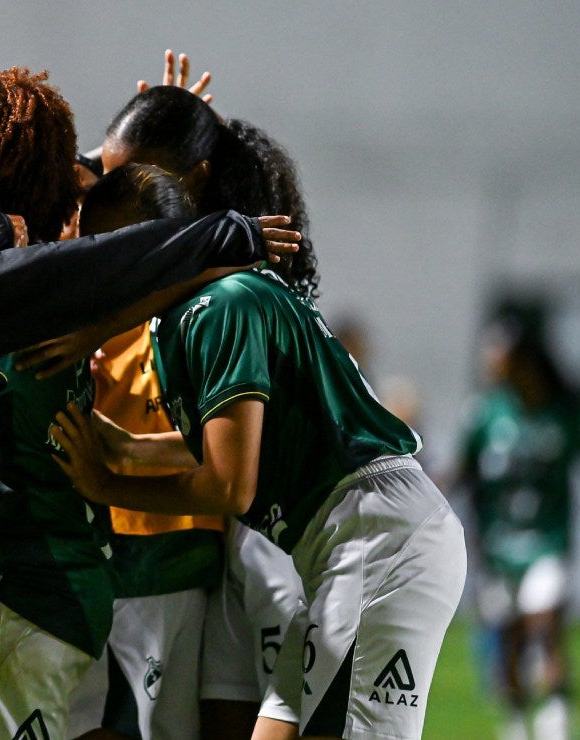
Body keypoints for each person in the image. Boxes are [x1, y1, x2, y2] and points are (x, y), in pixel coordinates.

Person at [52, 116, 466, 740]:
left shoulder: (221, 308)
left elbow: (229, 488)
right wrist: (131, 446)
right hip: (334, 547)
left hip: (376, 542)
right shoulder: (188, 311)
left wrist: (106, 484)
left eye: (106, 251)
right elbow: (241, 448)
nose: (97, 269)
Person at [63, 164, 225, 740]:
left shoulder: (208, 306)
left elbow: (232, 453)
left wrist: (132, 451)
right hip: (129, 559)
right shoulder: (83, 316)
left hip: (195, 555)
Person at [459, 318, 580, 740]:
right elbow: (462, 474)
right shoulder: (486, 413)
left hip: (548, 541)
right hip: (498, 547)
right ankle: (516, 724)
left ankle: (555, 724)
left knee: (545, 626)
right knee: (510, 639)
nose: (489, 361)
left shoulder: (565, 413)